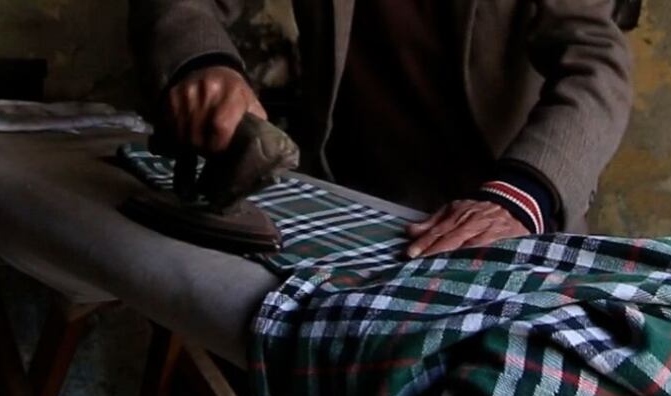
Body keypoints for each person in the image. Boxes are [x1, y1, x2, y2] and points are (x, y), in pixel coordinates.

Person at [129, 0, 633, 257]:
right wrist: (202, 62)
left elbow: (596, 66)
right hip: (342, 199)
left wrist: (518, 197)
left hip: (499, 214)